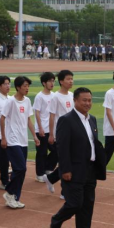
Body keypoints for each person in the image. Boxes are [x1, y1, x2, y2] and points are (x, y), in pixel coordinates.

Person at [49, 87, 107, 228]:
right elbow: (62, 147)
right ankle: (56, 221)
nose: (87, 103)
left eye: (90, 100)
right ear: (75, 101)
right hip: (73, 170)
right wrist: (65, 169)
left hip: (90, 170)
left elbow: (92, 143)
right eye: (84, 100)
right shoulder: (66, 120)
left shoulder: (92, 119)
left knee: (87, 207)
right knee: (75, 204)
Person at [0, 76, 39, 209]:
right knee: (20, 168)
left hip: (23, 140)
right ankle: (9, 192)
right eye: (24, 86)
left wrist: (34, 136)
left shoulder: (27, 101)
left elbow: (28, 120)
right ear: (18, 87)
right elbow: (2, 118)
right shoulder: (10, 101)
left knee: (21, 170)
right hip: (12, 139)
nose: (27, 88)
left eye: (28, 86)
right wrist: (3, 137)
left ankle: (15, 197)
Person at [43, 70, 75, 198]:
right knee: (66, 161)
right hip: (61, 133)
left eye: (72, 78)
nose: (71, 81)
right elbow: (52, 116)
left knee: (69, 161)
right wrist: (51, 134)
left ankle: (51, 178)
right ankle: (64, 192)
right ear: (61, 81)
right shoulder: (55, 97)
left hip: (72, 133)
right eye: (68, 79)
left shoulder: (72, 95)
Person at [33, 72, 57, 182]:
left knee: (56, 150)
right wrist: (40, 128)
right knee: (42, 152)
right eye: (50, 81)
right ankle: (40, 173)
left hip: (52, 129)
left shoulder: (54, 95)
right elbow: (37, 113)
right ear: (44, 83)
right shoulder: (39, 96)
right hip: (42, 129)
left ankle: (48, 168)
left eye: (53, 81)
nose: (52, 83)